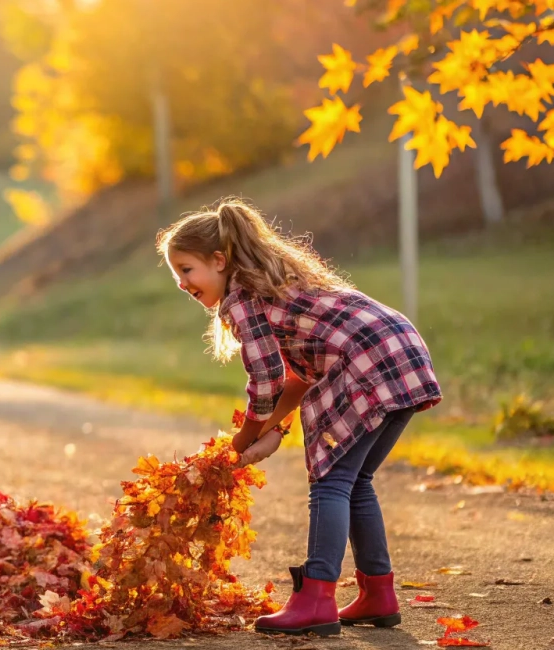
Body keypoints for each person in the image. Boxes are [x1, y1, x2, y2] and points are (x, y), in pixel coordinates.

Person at [156, 198, 441, 637]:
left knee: (330, 481)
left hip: (367, 361)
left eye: (186, 269)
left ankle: (315, 599)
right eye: (175, 273)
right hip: (399, 351)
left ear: (219, 260)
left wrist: (242, 440)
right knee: (355, 480)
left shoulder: (241, 299)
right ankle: (377, 593)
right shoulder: (279, 284)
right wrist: (272, 433)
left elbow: (267, 379)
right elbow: (299, 379)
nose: (181, 282)